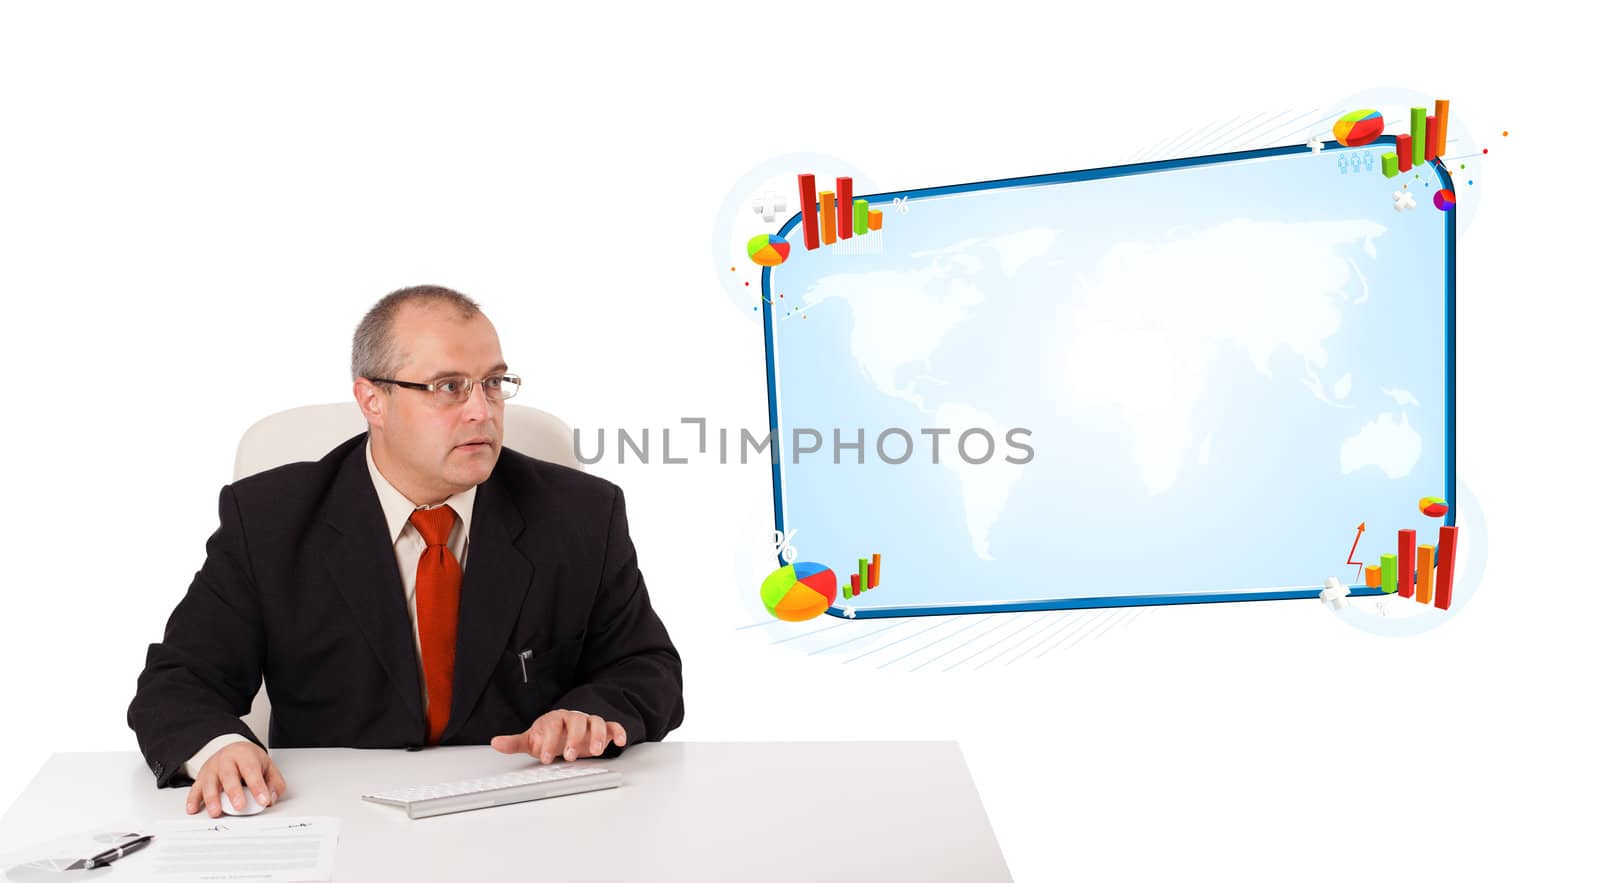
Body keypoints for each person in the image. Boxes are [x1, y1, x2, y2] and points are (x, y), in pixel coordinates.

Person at [127, 286, 684, 818]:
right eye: (448, 387)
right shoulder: (270, 518)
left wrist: (591, 713)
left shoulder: (581, 513)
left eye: (493, 383)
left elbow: (646, 666)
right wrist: (220, 747)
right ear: (373, 400)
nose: (482, 412)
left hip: (521, 812)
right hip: (337, 818)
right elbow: (178, 682)